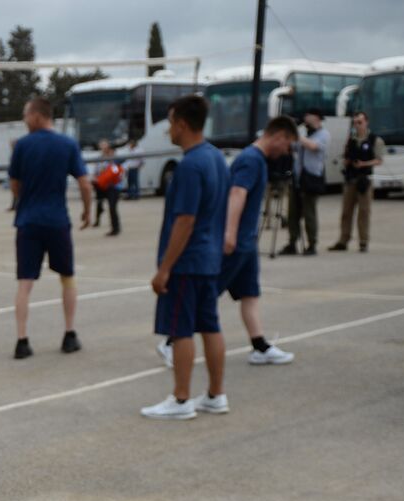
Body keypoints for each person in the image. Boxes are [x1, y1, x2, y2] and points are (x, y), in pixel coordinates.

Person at [141, 94, 229, 421]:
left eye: (170, 125)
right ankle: (216, 395)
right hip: (209, 260)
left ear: (182, 124)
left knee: (180, 330)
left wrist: (165, 268)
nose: (169, 132)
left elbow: (185, 220)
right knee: (211, 326)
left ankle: (181, 400)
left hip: (187, 262)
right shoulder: (216, 158)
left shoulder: (191, 165)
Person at [8, 96, 92, 360]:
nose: (24, 120)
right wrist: (88, 210)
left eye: (25, 115)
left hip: (29, 221)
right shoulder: (66, 144)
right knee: (67, 277)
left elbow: (14, 183)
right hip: (57, 221)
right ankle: (69, 334)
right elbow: (84, 182)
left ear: (37, 115)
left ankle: (22, 340)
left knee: (25, 283)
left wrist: (23, 200)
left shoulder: (22, 146)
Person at [219, 116, 301, 366]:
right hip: (238, 241)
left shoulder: (257, 160)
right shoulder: (251, 160)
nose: (286, 151)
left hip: (247, 242)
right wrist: (230, 233)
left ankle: (260, 346)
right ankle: (172, 341)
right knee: (205, 293)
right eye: (288, 145)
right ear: (279, 136)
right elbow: (236, 194)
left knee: (250, 294)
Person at [329, 111, 385, 253]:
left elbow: (379, 160)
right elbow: (346, 155)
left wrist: (364, 164)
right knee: (346, 211)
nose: (357, 125)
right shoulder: (351, 140)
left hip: (364, 179)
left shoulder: (374, 140)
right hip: (350, 178)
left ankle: (363, 241)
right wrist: (346, 161)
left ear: (366, 122)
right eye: (355, 123)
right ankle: (343, 239)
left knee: (364, 212)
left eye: (360, 122)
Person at [280, 109, 329, 256]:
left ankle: (312, 244)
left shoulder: (324, 134)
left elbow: (313, 146)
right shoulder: (303, 132)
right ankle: (292, 242)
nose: (306, 118)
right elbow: (292, 147)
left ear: (317, 118)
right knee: (292, 212)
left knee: (309, 212)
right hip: (298, 177)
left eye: (309, 116)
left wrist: (296, 133)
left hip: (312, 177)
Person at [92, 141, 123, 235]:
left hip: (114, 187)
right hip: (103, 185)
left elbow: (118, 172)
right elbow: (97, 170)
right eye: (102, 147)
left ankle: (116, 228)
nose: (104, 150)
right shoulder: (100, 158)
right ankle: (98, 219)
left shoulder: (116, 160)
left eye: (105, 148)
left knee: (112, 207)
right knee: (99, 202)